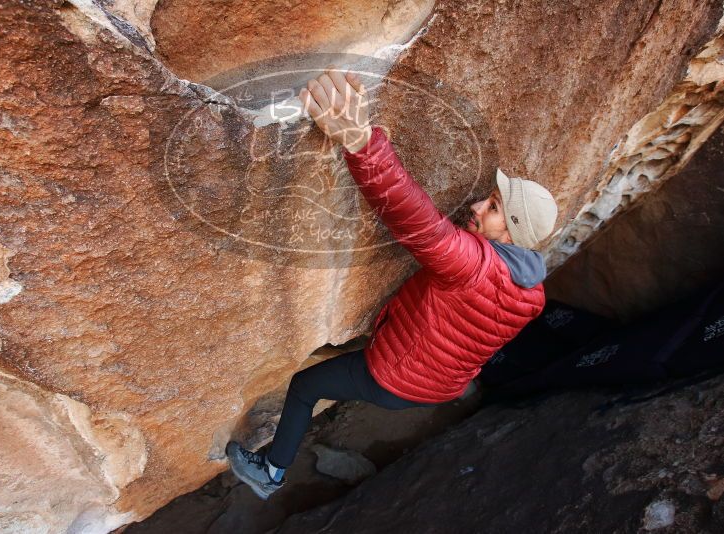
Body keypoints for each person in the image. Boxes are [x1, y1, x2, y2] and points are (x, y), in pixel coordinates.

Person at [226, 65, 559, 500]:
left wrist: (361, 142)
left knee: (304, 388)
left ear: (511, 234)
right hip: (437, 387)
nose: (478, 205)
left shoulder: (475, 265)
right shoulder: (532, 291)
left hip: (394, 378)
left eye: (493, 207)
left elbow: (416, 220)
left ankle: (270, 473)